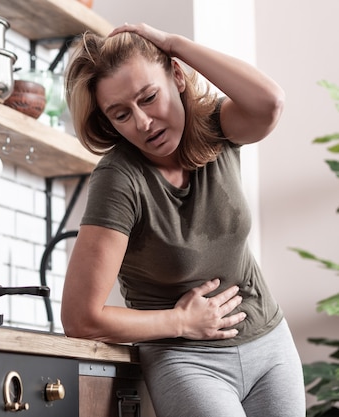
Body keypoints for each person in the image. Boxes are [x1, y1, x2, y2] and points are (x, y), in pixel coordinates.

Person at [60, 23, 305, 417]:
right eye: (121, 114)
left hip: (269, 345)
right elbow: (80, 317)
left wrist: (175, 45)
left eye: (149, 97)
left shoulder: (214, 128)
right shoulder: (120, 179)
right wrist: (180, 321)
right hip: (188, 360)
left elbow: (269, 103)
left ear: (177, 76)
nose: (142, 123)